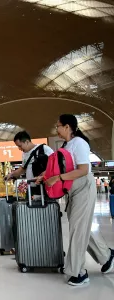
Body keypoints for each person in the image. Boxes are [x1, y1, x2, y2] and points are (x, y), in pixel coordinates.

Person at [40, 114, 114, 286]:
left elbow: (82, 170)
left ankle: (78, 272)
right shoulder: (68, 144)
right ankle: (106, 256)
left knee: (77, 229)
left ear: (67, 127)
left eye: (58, 125)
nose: (56, 128)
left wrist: (57, 178)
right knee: (80, 227)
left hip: (83, 187)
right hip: (72, 189)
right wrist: (45, 176)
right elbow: (65, 166)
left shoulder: (80, 143)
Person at [5, 131, 54, 196]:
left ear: (27, 142)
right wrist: (11, 174)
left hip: (45, 186)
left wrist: (43, 176)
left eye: (20, 146)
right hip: (31, 187)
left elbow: (54, 165)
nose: (19, 149)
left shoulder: (44, 149)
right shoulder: (24, 154)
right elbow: (23, 168)